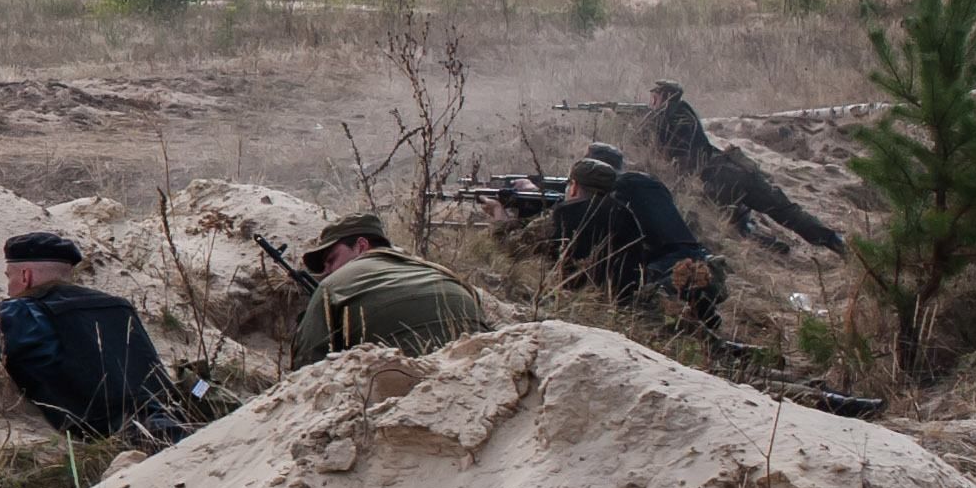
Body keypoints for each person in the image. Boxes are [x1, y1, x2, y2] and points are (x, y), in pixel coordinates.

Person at [0, 230, 185, 441]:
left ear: (26, 276)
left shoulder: (25, 314)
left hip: (112, 438)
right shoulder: (119, 307)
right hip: (170, 425)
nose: (8, 289)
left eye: (10, 278)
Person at [499, 148, 726, 330]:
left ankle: (688, 315)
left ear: (575, 186)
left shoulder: (568, 214)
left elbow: (513, 246)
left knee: (661, 308)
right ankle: (696, 311)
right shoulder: (631, 199)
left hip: (625, 299)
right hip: (683, 262)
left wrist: (500, 216)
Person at [643, 80, 846, 255]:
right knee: (782, 212)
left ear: (666, 98)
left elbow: (655, 138)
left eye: (656, 97)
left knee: (743, 223)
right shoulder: (683, 112)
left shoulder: (672, 117)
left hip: (719, 179)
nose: (652, 101)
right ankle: (829, 241)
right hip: (732, 171)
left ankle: (789, 244)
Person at [284, 211, 490, 367]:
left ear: (361, 246)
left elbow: (306, 368)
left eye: (331, 260)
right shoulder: (442, 273)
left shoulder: (333, 286)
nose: (327, 271)